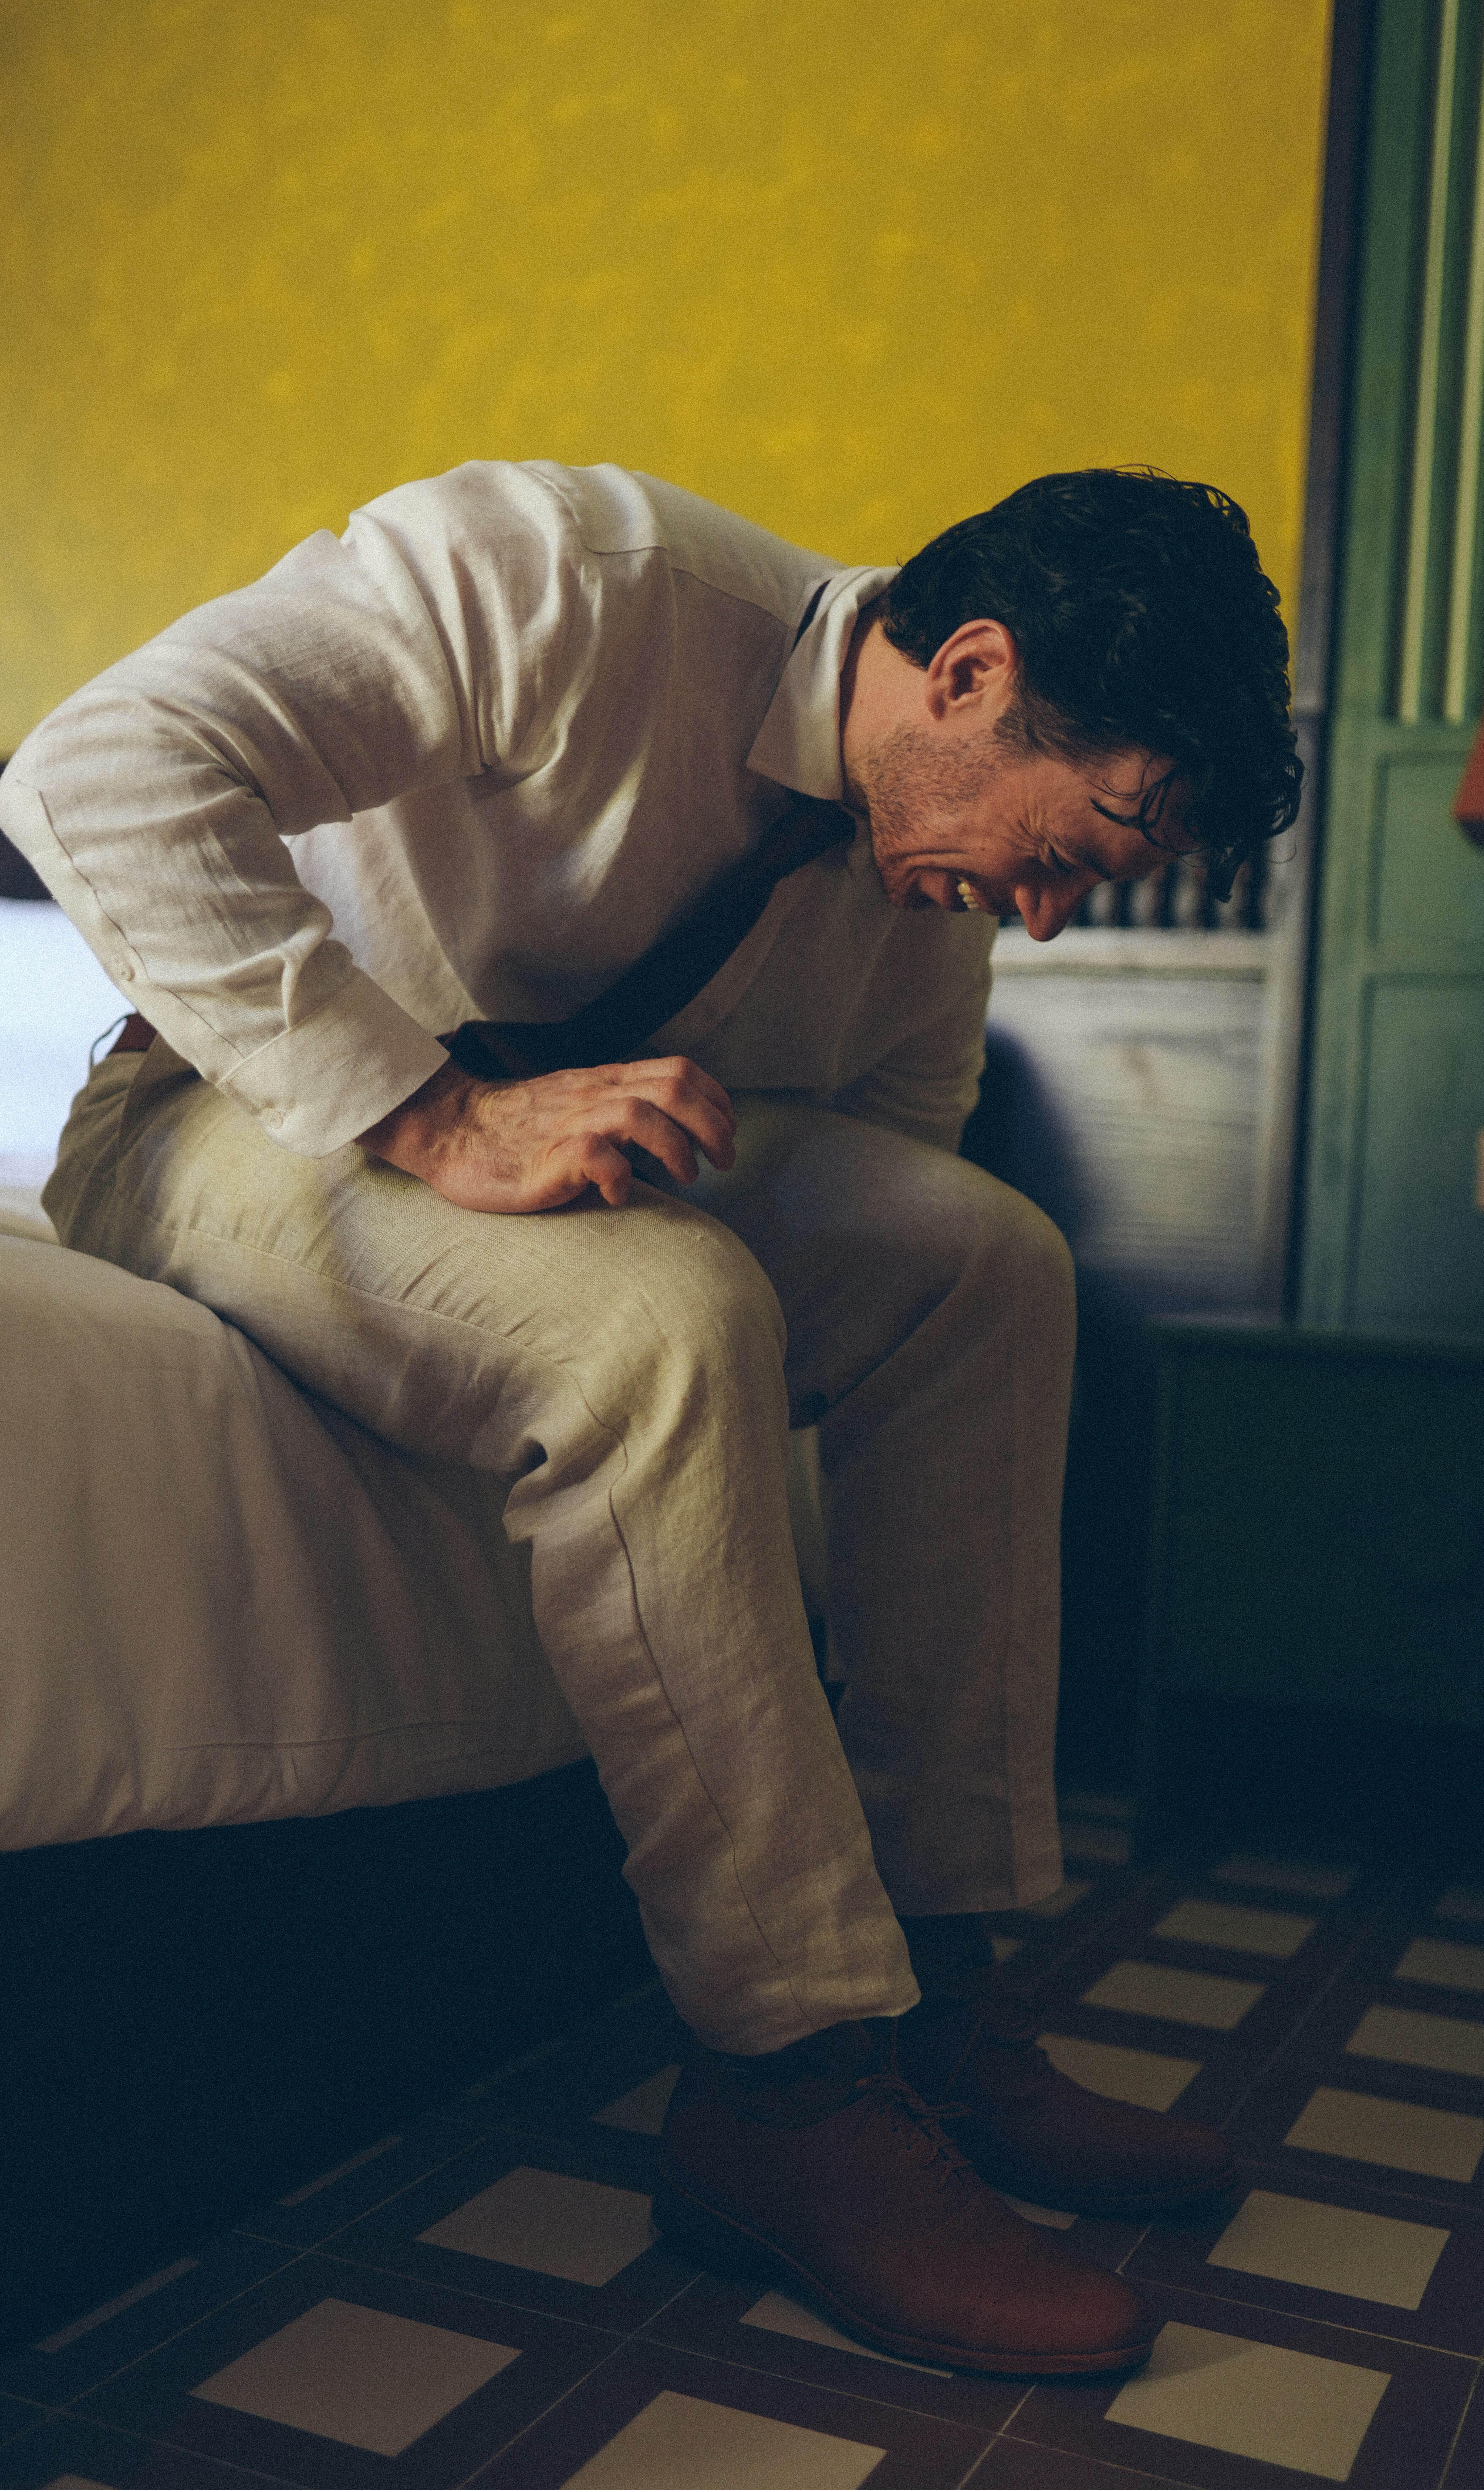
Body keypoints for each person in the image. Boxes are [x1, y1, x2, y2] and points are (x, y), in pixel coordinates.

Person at [2, 459, 1301, 2375]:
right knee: (674, 1308)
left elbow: (879, 1207)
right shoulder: (569, 580)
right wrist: (434, 1111)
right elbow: (92, 769)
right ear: (969, 671)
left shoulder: (922, 899)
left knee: (989, 1268)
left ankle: (938, 1992)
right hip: (219, 1116)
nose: (1037, 918)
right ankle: (785, 2087)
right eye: (1072, 845)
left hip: (595, 1173)